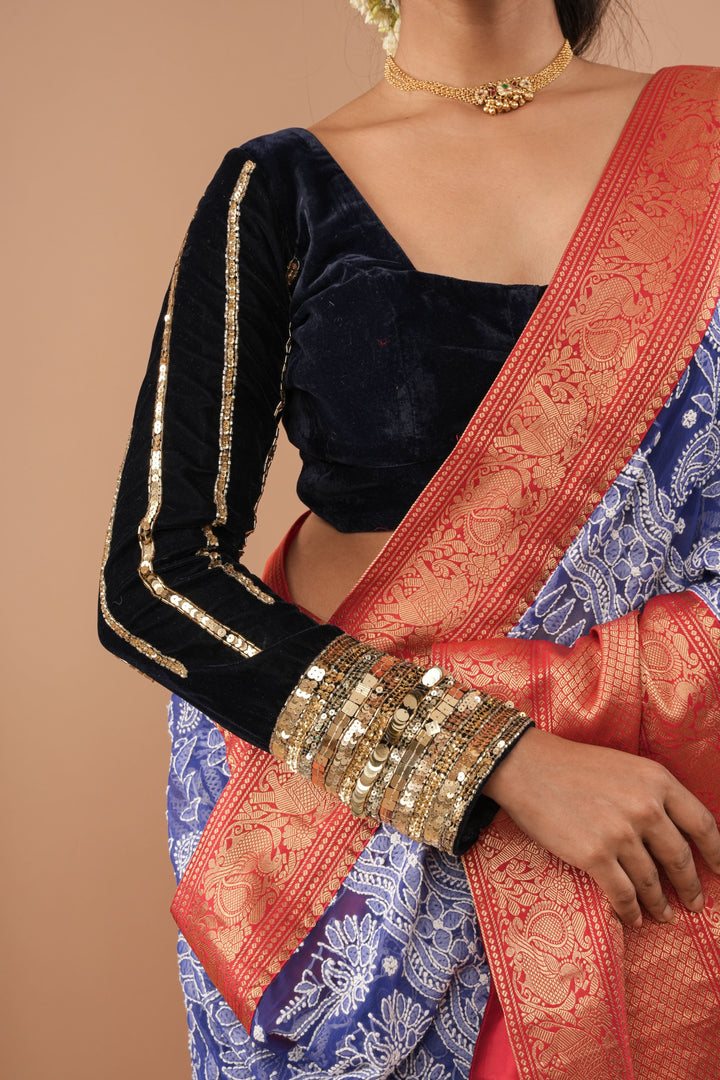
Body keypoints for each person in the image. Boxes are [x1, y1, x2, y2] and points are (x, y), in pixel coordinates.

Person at [98, 1, 720, 1076]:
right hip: (358, 853)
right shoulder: (278, 191)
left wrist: (615, 698)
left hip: (661, 808)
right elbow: (155, 578)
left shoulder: (703, 153)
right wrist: (494, 758)